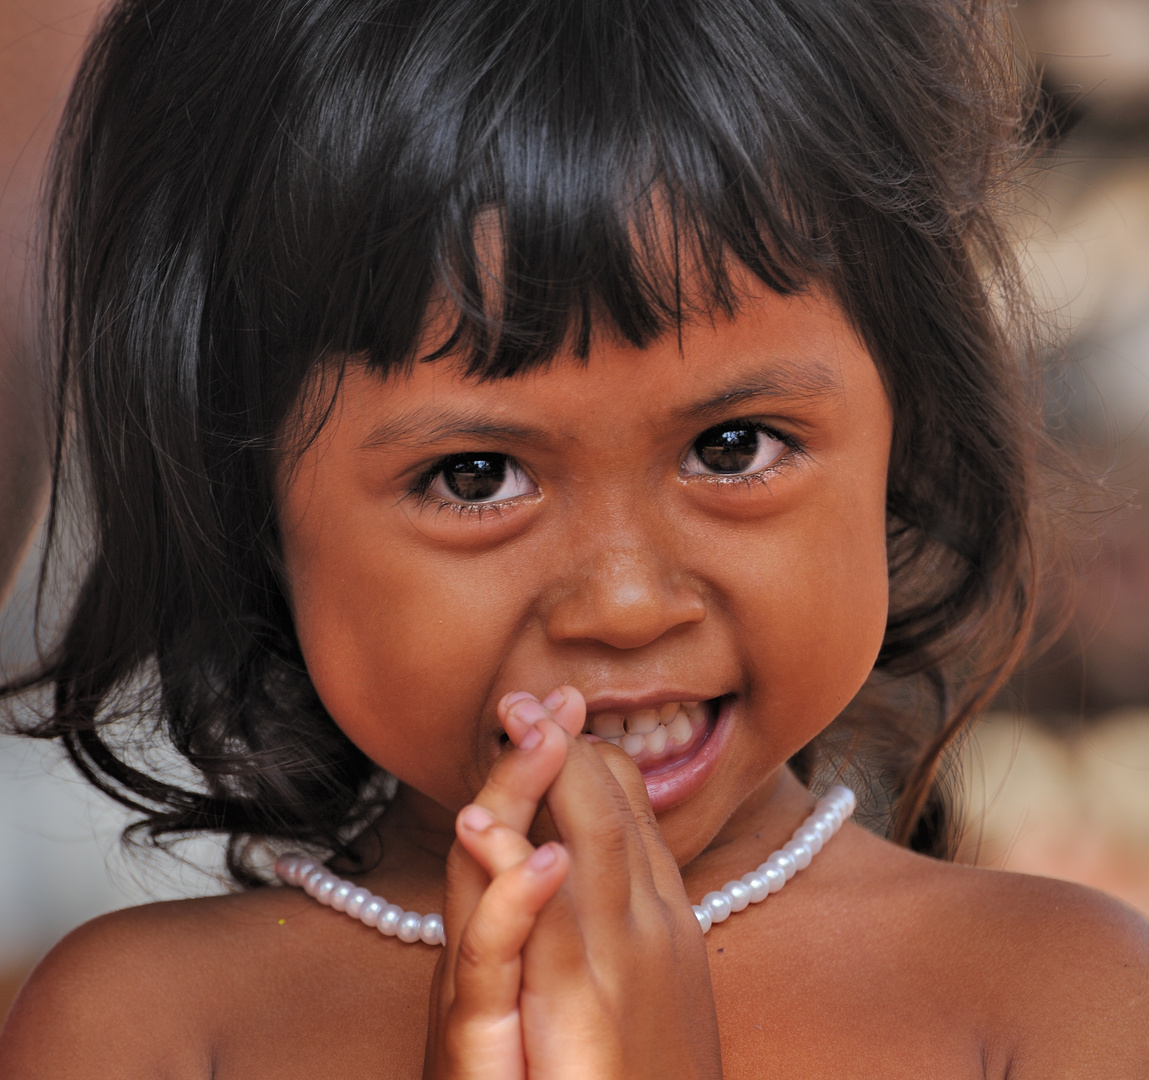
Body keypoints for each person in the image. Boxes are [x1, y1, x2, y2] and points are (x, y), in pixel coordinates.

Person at [1, 0, 1147, 1075]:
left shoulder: (1064, 1008)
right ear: (247, 502)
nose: (626, 603)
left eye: (736, 447)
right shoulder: (146, 1031)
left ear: (907, 419)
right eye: (476, 474)